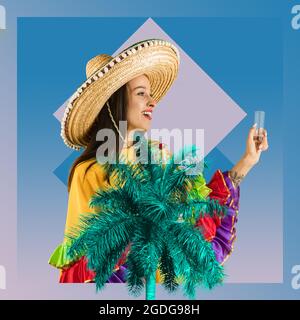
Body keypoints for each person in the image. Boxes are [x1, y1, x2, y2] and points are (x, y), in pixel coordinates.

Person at [48, 39, 268, 283]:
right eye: (141, 93)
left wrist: (247, 160)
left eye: (151, 95)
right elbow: (90, 257)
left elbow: (199, 212)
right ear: (114, 101)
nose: (152, 102)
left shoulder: (160, 155)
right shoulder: (89, 172)